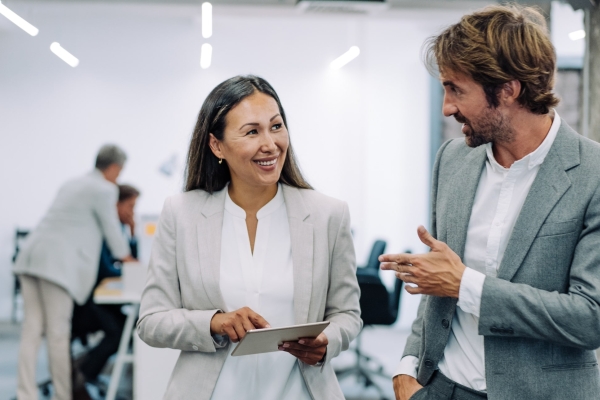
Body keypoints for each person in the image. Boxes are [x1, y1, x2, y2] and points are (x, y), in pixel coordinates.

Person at [380, 5, 600, 400]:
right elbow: (435, 278)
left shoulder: (593, 174)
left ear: (508, 89)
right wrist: (406, 366)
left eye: (456, 89)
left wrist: (466, 284)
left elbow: (590, 318)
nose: (447, 106)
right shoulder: (452, 159)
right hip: (441, 388)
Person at [137, 75, 361, 399]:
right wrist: (215, 323)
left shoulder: (328, 214)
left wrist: (327, 343)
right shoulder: (181, 214)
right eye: (252, 131)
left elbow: (347, 315)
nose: (270, 144)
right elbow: (151, 321)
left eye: (276, 126)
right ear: (217, 145)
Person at [14, 145, 135, 400]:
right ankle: (63, 395)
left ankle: (26, 394)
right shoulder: (105, 189)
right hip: (57, 266)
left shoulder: (72, 183)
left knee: (31, 331)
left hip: (31, 256)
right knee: (58, 333)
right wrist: (129, 259)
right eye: (119, 171)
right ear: (114, 168)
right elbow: (112, 230)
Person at [71, 184, 141, 386]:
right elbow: (106, 270)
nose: (132, 212)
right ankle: (84, 374)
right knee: (119, 332)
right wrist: (129, 269)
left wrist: (133, 233)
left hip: (101, 301)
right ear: (116, 205)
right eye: (130, 206)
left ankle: (86, 367)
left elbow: (129, 259)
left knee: (131, 327)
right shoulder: (102, 231)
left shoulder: (118, 229)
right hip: (87, 303)